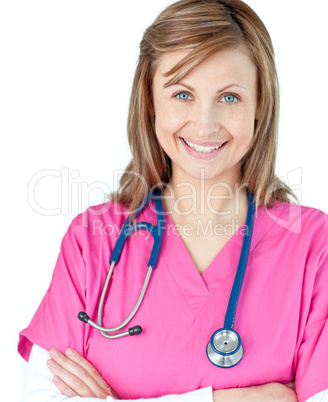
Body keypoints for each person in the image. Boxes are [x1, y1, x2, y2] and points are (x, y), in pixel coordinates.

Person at [18, 0, 328, 401]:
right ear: (150, 102)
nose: (204, 122)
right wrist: (224, 398)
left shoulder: (313, 246)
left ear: (260, 105)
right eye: (182, 94)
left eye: (229, 97)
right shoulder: (92, 241)